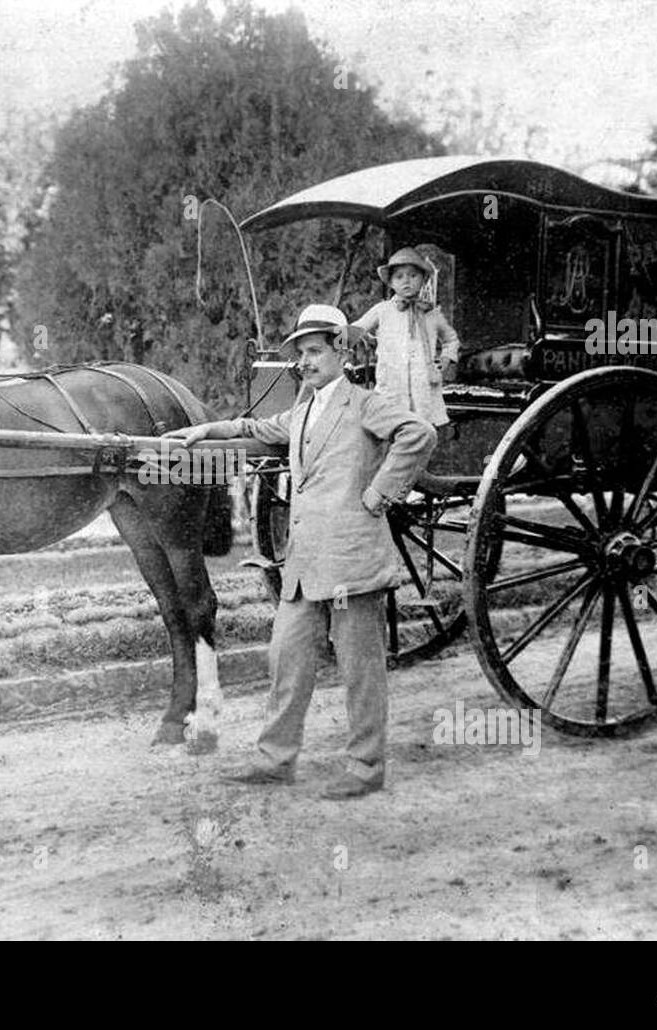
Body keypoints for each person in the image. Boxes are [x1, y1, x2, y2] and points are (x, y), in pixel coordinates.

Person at [165, 305, 437, 799]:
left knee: (360, 670)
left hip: (351, 561)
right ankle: (275, 760)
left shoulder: (364, 403)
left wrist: (380, 493)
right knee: (286, 660)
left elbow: (419, 434)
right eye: (301, 355)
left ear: (341, 350)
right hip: (304, 561)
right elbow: (256, 430)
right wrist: (205, 431)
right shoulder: (303, 410)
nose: (306, 363)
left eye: (315, 352)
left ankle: (365, 768)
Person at [353, 245, 461, 428]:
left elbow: (451, 339)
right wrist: (332, 343)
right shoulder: (383, 311)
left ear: (423, 279)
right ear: (391, 282)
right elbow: (356, 329)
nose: (407, 281)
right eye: (399, 276)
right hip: (392, 387)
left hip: (423, 389)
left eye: (413, 275)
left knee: (422, 433)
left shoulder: (431, 314)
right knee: (392, 432)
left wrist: (445, 358)